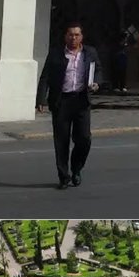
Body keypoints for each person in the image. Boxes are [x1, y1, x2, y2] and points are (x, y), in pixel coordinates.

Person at [37, 22, 101, 189]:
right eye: (70, 35)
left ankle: (76, 169)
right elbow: (45, 77)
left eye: (77, 35)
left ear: (82, 37)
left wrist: (96, 84)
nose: (73, 38)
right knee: (61, 141)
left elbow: (98, 71)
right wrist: (41, 100)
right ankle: (63, 176)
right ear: (65, 36)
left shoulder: (90, 53)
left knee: (84, 139)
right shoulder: (56, 53)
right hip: (61, 101)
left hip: (81, 100)